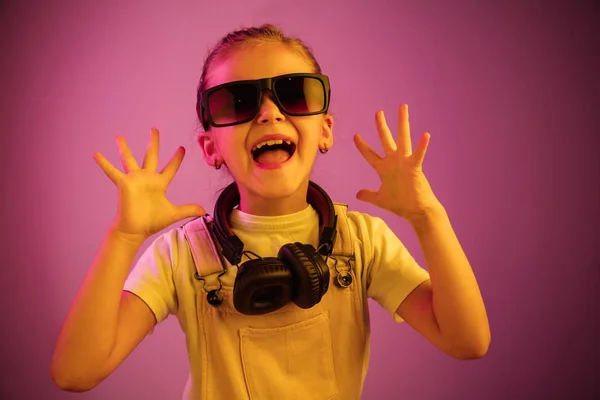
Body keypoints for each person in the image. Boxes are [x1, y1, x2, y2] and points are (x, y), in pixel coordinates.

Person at [50, 24, 490, 399]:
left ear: (325, 130)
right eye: (238, 103)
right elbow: (76, 373)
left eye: (294, 95)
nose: (268, 112)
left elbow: (467, 340)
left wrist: (427, 216)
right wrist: (124, 237)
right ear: (211, 147)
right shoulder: (181, 255)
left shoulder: (363, 242)